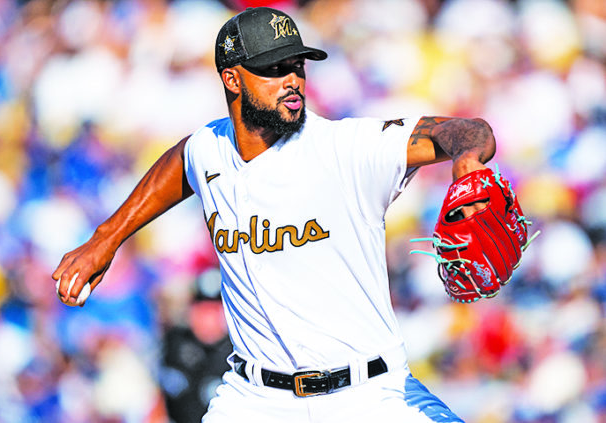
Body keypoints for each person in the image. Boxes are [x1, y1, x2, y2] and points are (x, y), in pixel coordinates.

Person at [53, 7, 496, 422]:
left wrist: (466, 160)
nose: (291, 80)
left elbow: (466, 131)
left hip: (369, 393)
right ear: (232, 79)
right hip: (255, 397)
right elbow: (181, 162)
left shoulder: (345, 148)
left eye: (297, 66)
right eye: (272, 68)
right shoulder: (211, 148)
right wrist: (105, 238)